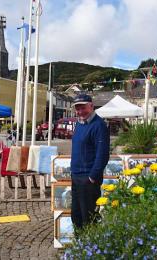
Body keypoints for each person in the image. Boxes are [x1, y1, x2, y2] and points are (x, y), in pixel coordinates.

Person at [70, 94, 110, 230]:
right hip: (76, 176)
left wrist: (92, 177)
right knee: (76, 215)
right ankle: (80, 246)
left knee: (89, 217)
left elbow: (103, 154)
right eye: (77, 109)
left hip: (88, 178)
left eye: (83, 108)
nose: (80, 112)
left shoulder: (99, 125)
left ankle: (90, 247)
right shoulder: (79, 123)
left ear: (91, 106)